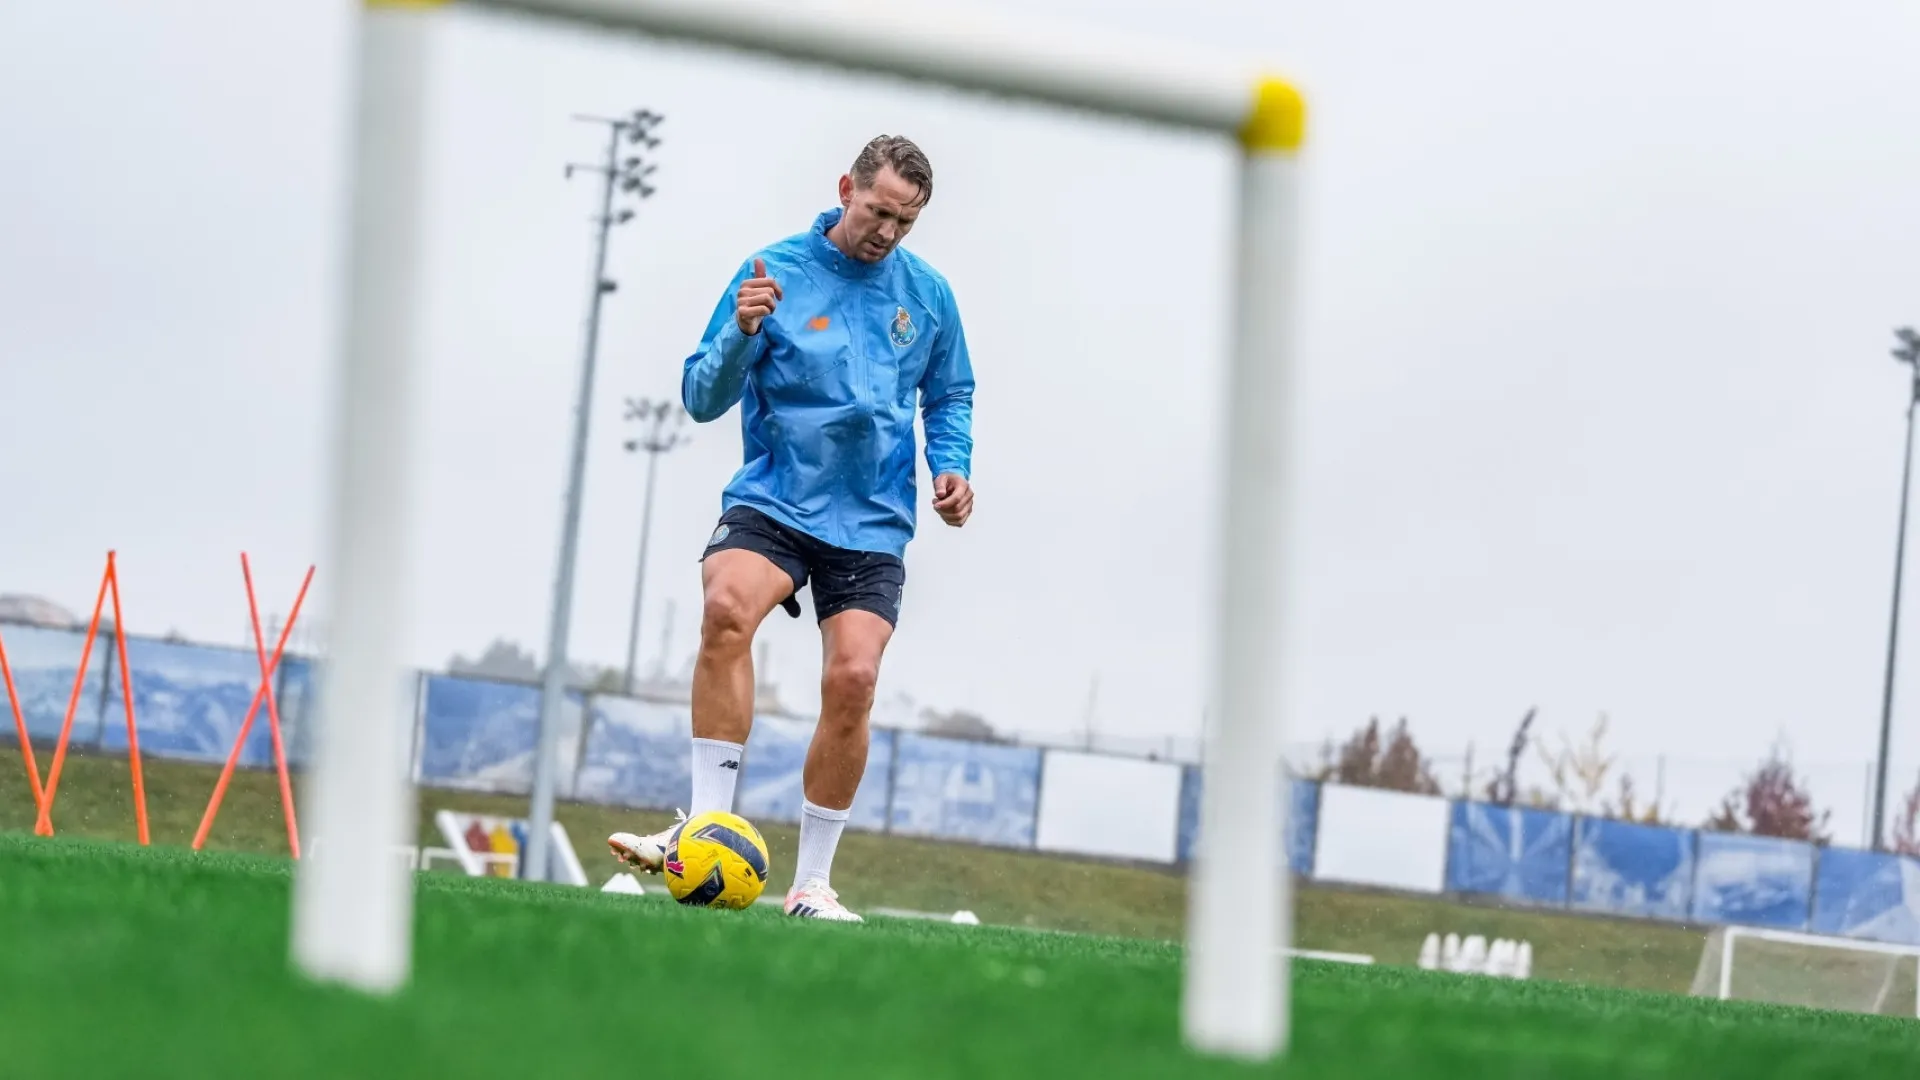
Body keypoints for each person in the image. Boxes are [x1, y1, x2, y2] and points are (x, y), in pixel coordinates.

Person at [607, 135, 975, 922]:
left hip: (872, 519)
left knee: (855, 679)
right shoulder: (772, 271)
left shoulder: (929, 296)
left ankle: (811, 885)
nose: (886, 233)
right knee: (724, 608)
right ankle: (705, 828)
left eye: (905, 223)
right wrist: (741, 333)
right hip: (777, 499)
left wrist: (952, 466)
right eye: (878, 212)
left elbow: (949, 395)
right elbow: (701, 397)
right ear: (846, 189)